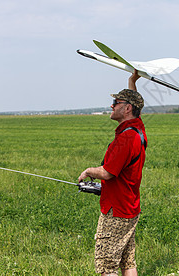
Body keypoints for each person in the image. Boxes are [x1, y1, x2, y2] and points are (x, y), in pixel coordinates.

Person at [78, 69, 147, 276]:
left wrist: (88, 171)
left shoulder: (126, 139)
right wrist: (132, 81)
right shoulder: (137, 129)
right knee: (127, 260)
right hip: (129, 207)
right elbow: (137, 105)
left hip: (116, 211)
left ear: (126, 109)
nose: (112, 105)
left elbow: (107, 173)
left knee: (106, 265)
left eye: (116, 102)